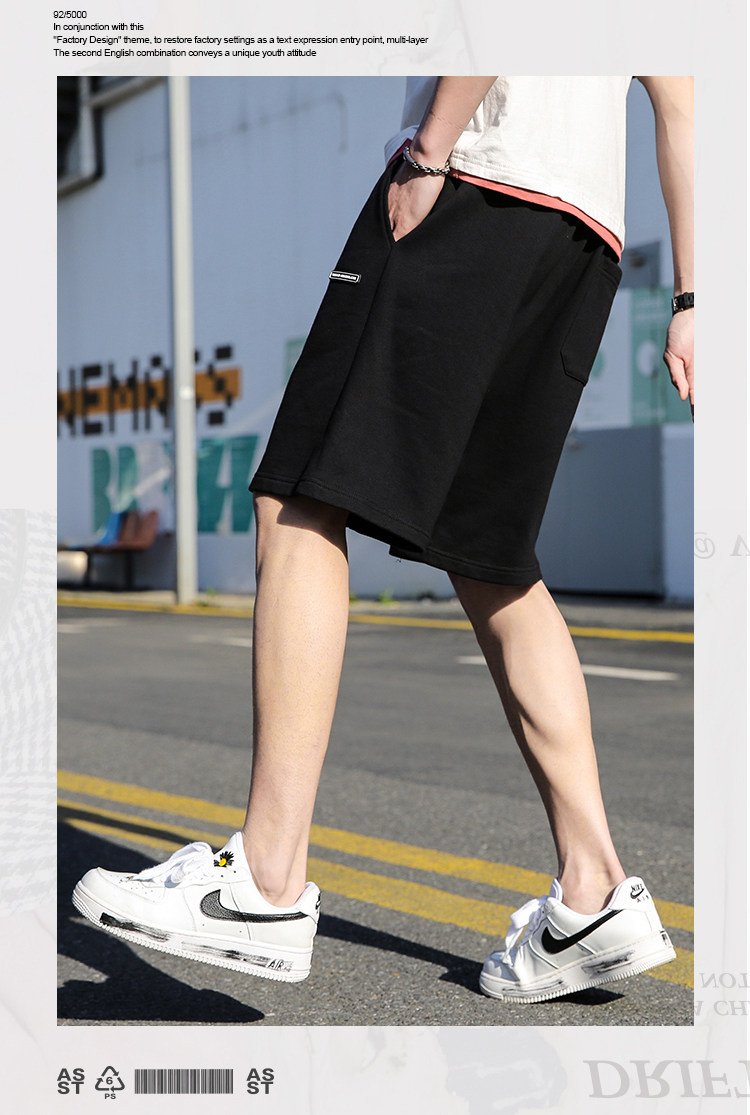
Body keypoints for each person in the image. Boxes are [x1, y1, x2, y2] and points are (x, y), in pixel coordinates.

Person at [73, 76, 693, 1003]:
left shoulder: (451, 162)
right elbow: (682, 102)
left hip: (477, 179)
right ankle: (593, 891)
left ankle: (266, 884)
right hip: (582, 244)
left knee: (297, 497)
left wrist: (430, 151)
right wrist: (693, 295)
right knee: (492, 560)